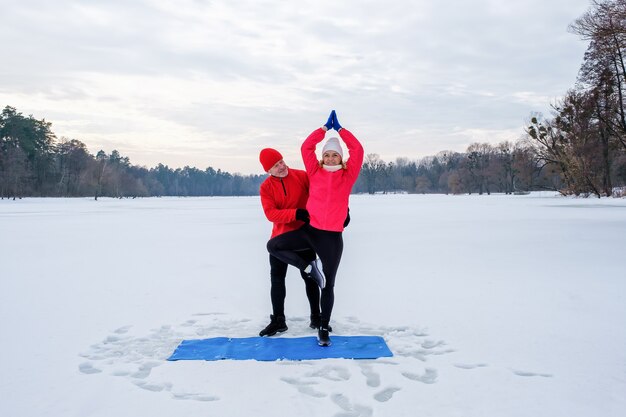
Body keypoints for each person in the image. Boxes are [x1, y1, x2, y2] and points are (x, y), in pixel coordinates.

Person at [266, 110, 364, 346]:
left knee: (328, 285)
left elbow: (358, 151)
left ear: (341, 159)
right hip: (310, 232)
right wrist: (322, 130)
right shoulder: (315, 172)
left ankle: (323, 326)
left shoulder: (347, 176)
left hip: (331, 239)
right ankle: (308, 268)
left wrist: (340, 131)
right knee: (273, 245)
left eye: (335, 155)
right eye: (327, 155)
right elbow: (306, 148)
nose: (330, 158)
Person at [258, 148, 325, 337]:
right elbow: (271, 214)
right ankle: (278, 321)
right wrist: (296, 213)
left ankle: (316, 317)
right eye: (275, 166)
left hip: (304, 236)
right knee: (277, 279)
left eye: (281, 162)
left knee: (310, 278)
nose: (281, 167)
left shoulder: (301, 176)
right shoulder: (266, 188)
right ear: (268, 171)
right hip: (280, 239)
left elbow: (320, 193)